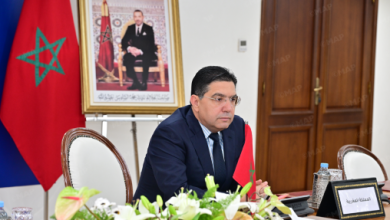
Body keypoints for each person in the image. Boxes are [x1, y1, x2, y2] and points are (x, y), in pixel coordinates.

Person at [134, 66, 268, 202]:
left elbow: (236, 183)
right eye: (218, 99)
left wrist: (252, 192)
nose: (228, 108)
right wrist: (234, 200)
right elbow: (178, 194)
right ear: (196, 102)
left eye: (232, 99)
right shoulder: (170, 133)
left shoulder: (236, 126)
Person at [121, 10, 157, 90]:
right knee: (127, 58)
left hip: (146, 51)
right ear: (133, 18)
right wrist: (129, 48)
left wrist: (140, 51)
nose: (137, 18)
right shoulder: (130, 28)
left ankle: (144, 82)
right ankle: (136, 82)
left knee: (146, 58)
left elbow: (151, 44)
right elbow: (123, 41)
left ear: (143, 18)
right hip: (134, 51)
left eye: (139, 16)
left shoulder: (149, 29)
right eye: (135, 16)